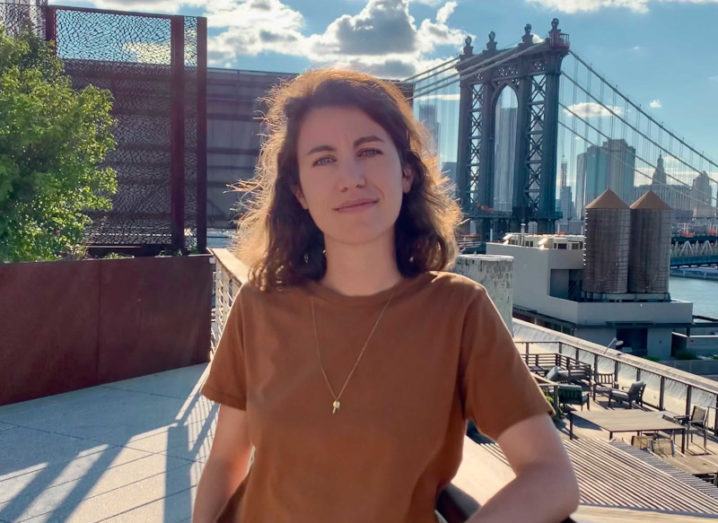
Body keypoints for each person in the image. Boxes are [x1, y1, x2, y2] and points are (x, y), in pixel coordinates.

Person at [192, 69, 579, 523]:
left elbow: (551, 477)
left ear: (407, 173)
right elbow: (224, 462)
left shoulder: (458, 311)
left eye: (369, 151)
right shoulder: (260, 305)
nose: (351, 177)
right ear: (298, 190)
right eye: (323, 160)